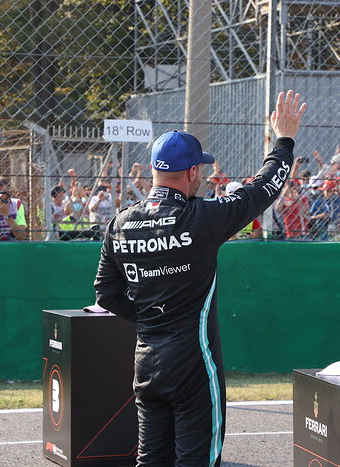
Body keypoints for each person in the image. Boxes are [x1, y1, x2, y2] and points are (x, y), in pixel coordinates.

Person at [93, 90, 308, 466]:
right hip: (193, 363)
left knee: (151, 460)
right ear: (192, 173)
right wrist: (284, 140)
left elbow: (106, 294)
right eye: (201, 171)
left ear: (156, 171)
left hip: (146, 361)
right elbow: (264, 189)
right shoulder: (202, 218)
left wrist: (149, 316)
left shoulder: (120, 223)